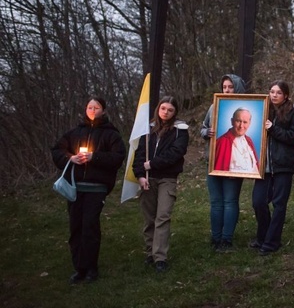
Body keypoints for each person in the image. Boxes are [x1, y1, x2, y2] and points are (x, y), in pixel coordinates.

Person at [51, 97, 126, 284]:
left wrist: (94, 157)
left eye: (97, 107)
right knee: (75, 226)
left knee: (89, 226)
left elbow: (117, 158)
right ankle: (79, 268)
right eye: (89, 107)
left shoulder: (111, 135)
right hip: (75, 188)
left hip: (97, 187)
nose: (92, 110)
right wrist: (70, 158)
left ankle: (91, 267)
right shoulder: (75, 132)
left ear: (104, 110)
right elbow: (57, 151)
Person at [133, 96, 189, 273]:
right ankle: (150, 252)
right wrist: (140, 175)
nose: (166, 112)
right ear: (158, 109)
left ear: (175, 112)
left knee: (162, 216)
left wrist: (153, 164)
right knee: (149, 218)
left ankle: (160, 257)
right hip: (148, 178)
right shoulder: (147, 130)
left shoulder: (180, 130)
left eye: (170, 110)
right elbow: (140, 153)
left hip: (167, 178)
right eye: (163, 108)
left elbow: (176, 153)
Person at [250, 81, 294, 256]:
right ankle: (263, 236)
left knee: (279, 205)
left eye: (278, 92)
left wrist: (274, 129)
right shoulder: (263, 110)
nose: (274, 95)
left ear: (285, 95)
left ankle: (272, 242)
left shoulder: (292, 113)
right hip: (263, 166)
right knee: (258, 202)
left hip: (283, 166)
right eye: (271, 91)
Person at [202, 74, 249, 253]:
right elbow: (202, 128)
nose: (227, 90)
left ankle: (226, 239)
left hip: (235, 163)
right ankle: (215, 237)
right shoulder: (214, 106)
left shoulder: (246, 108)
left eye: (230, 87)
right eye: (224, 87)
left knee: (230, 201)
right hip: (214, 161)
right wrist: (207, 132)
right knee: (216, 202)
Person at [214, 108, 259, 174]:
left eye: (245, 122)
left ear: (249, 123)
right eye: (238, 121)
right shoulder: (222, 141)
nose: (241, 126)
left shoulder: (249, 140)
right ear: (232, 121)